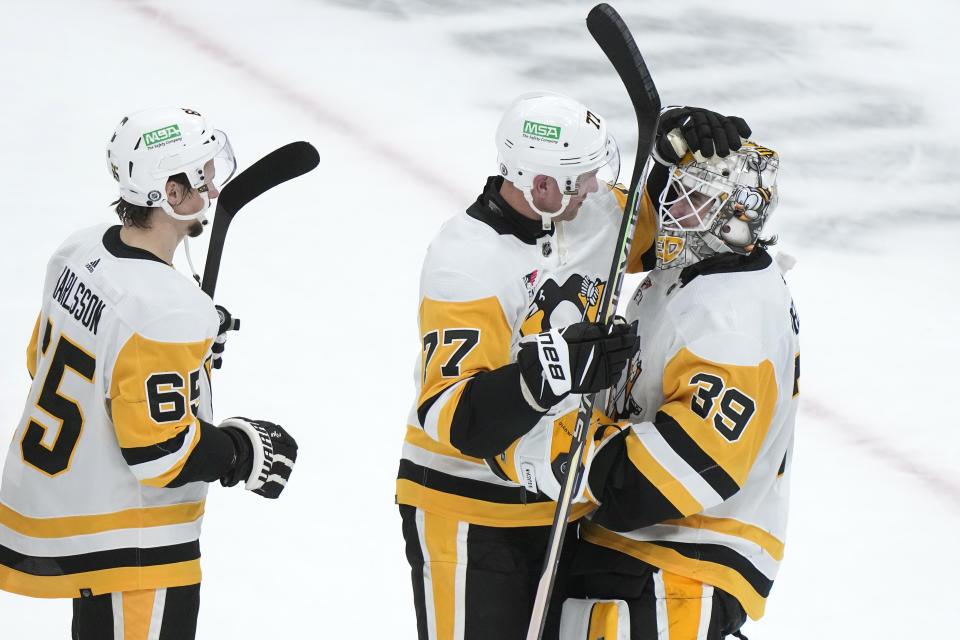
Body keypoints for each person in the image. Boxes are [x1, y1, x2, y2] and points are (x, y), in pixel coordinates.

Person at [396, 90, 751, 639]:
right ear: (541, 187)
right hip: (468, 516)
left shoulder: (594, 214)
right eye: (581, 178)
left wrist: (682, 145)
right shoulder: (466, 263)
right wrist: (549, 374)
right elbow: (455, 419)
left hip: (563, 504)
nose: (597, 188)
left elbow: (676, 223)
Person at [0, 107, 298, 639]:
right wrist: (238, 450)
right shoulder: (167, 309)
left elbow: (40, 362)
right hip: (135, 548)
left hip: (89, 526)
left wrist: (174, 359)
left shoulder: (79, 249)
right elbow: (160, 454)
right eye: (200, 175)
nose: (211, 185)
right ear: (169, 193)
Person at [556, 138, 799, 639]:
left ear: (737, 219)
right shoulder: (697, 269)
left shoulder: (729, 323)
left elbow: (678, 473)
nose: (672, 208)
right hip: (642, 558)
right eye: (676, 191)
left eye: (696, 200)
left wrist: (558, 431)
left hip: (679, 573)